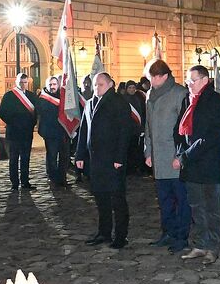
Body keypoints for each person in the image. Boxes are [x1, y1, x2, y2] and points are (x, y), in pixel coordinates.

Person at [175, 65, 220, 264]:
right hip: (191, 165)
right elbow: (179, 130)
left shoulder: (217, 101)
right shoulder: (187, 100)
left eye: (193, 80)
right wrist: (180, 152)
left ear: (205, 80)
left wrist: (186, 155)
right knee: (196, 207)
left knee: (212, 208)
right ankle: (199, 243)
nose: (189, 84)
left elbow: (212, 136)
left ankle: (212, 246)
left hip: (209, 163)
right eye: (188, 81)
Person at [76, 72, 131, 249]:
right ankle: (104, 232)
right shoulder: (90, 103)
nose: (96, 87)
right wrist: (80, 154)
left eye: (100, 84)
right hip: (96, 160)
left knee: (117, 199)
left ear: (109, 84)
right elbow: (84, 129)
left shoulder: (118, 102)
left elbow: (124, 132)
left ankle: (121, 236)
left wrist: (119, 157)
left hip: (112, 159)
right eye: (95, 84)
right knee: (101, 198)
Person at [144, 59, 190, 253]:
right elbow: (147, 126)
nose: (151, 81)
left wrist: (180, 156)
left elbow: (186, 129)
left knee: (181, 199)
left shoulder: (180, 94)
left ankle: (181, 236)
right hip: (157, 157)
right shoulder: (149, 95)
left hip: (174, 157)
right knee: (164, 200)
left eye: (154, 77)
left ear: (164, 76)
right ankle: (168, 232)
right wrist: (148, 151)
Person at [0, 72, 38, 191]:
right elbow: (2, 113)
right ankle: (14, 183)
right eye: (21, 82)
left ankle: (25, 182)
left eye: (25, 82)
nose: (23, 84)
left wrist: (32, 124)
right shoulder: (9, 96)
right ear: (16, 82)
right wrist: (14, 122)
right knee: (14, 159)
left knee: (26, 159)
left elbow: (36, 113)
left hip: (26, 133)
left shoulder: (31, 96)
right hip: (14, 132)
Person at [36, 75, 71, 188]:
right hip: (50, 132)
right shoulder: (43, 98)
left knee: (64, 157)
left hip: (63, 132)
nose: (52, 86)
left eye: (54, 84)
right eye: (50, 84)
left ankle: (62, 178)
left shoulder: (63, 96)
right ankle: (53, 178)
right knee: (52, 156)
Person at [123, 80, 146, 175]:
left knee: (135, 150)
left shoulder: (138, 99)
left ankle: (134, 168)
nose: (132, 90)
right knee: (127, 150)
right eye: (130, 88)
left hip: (136, 129)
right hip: (127, 129)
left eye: (133, 88)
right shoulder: (123, 99)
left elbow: (141, 113)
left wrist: (141, 128)